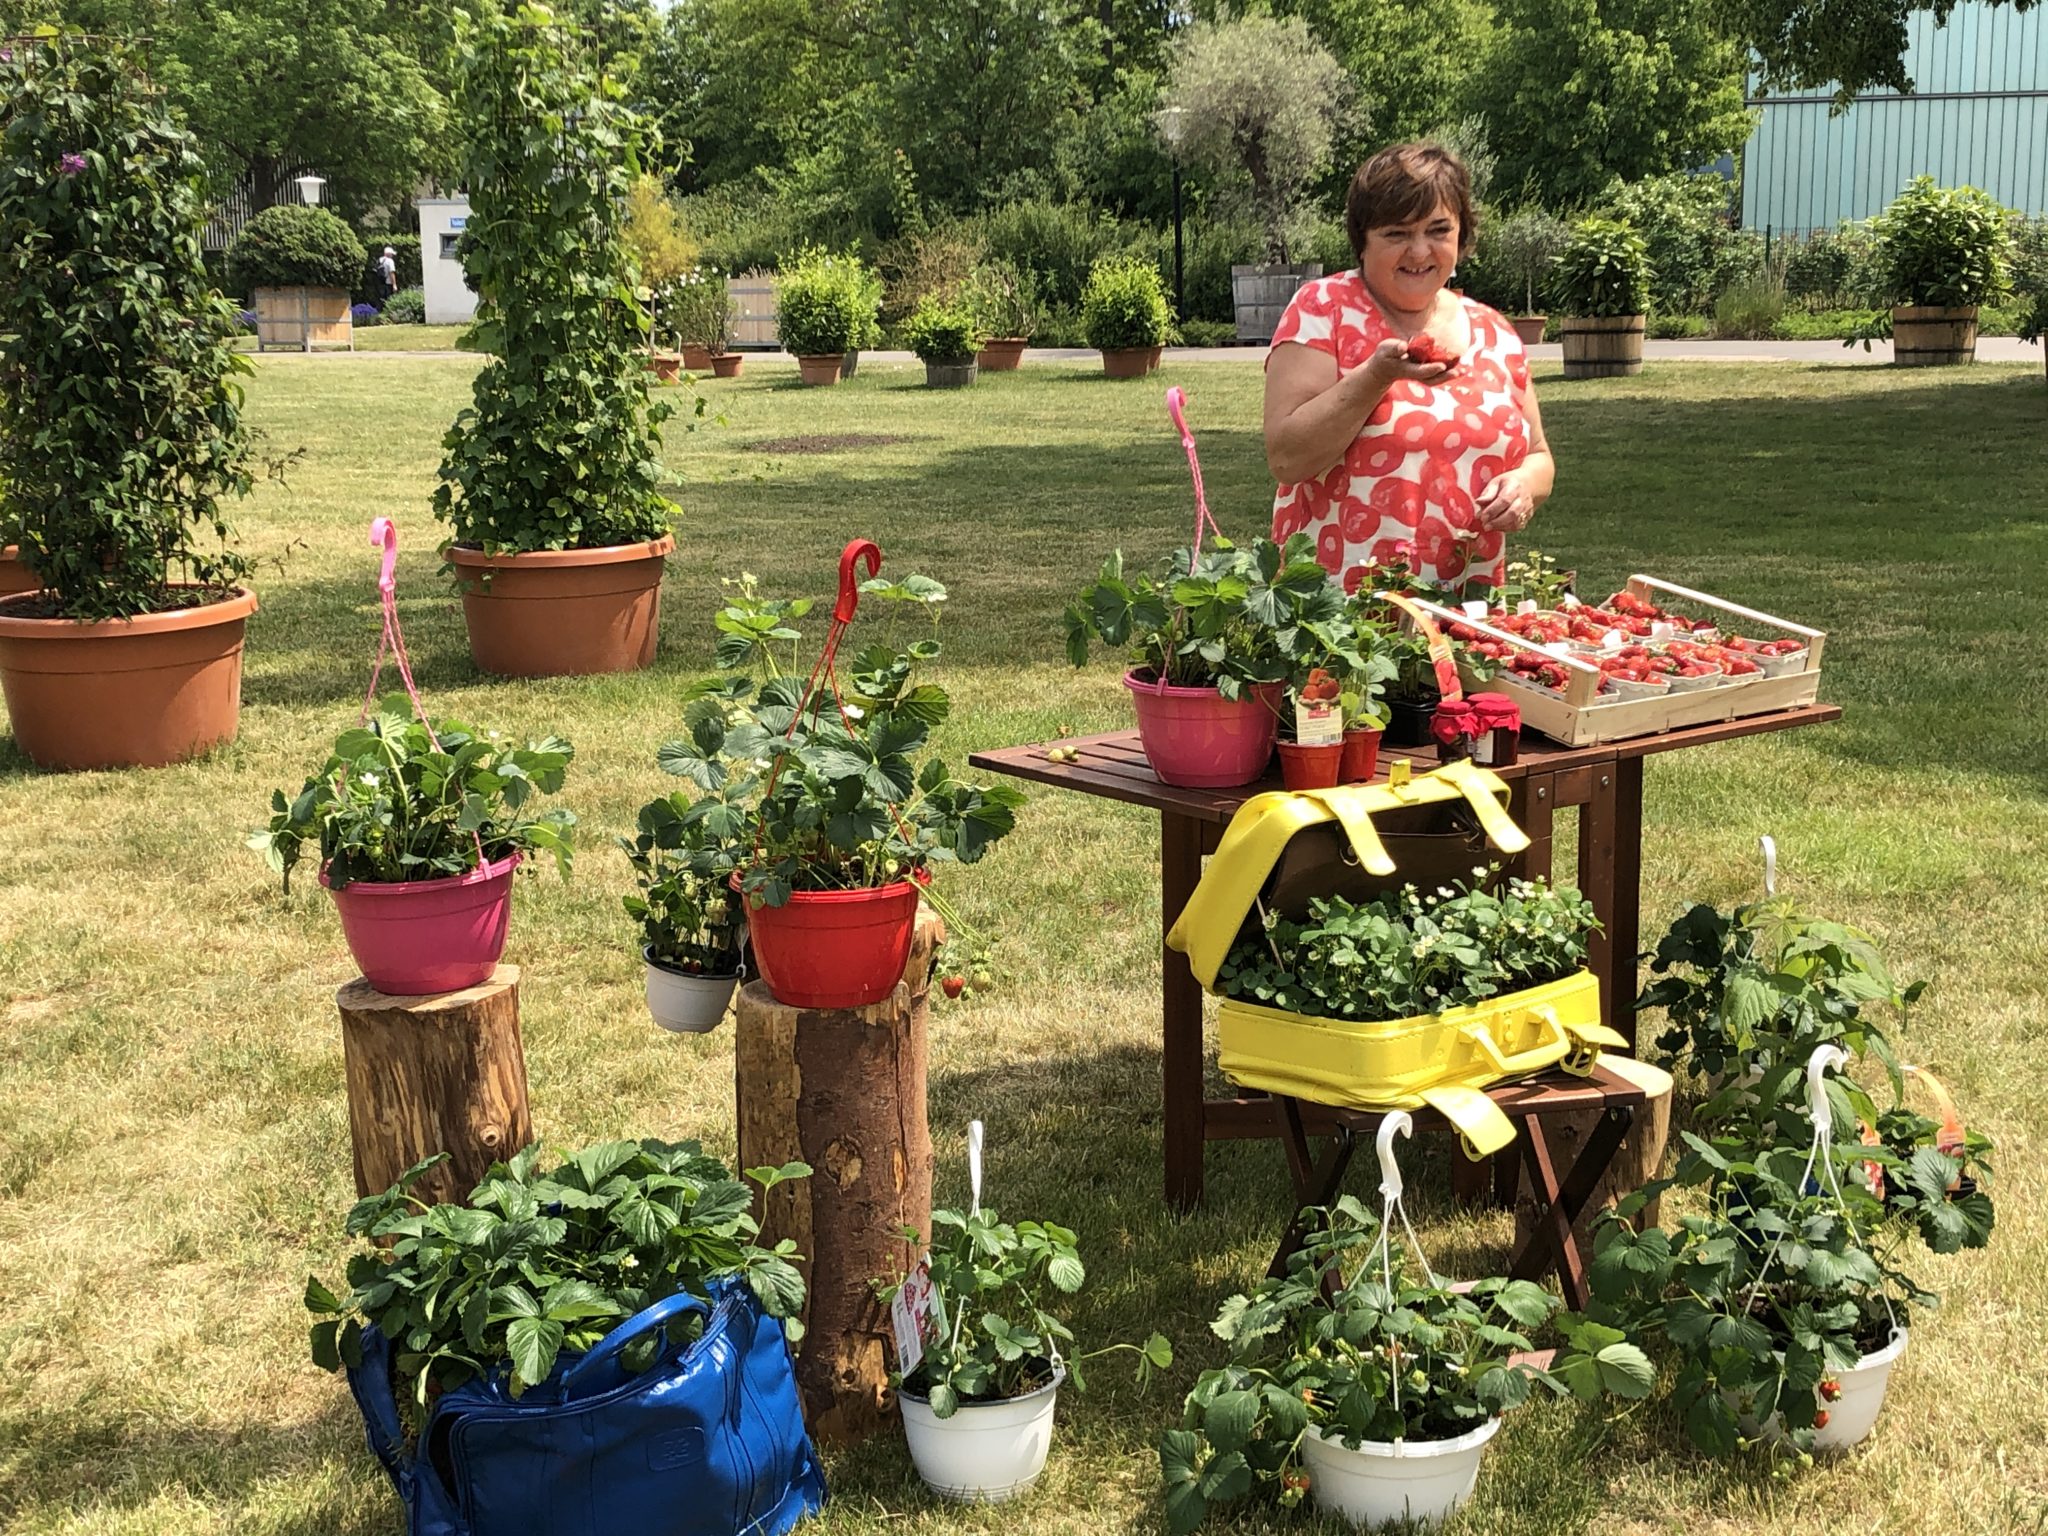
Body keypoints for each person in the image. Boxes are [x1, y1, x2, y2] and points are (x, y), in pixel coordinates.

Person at [1262, 141, 1555, 592]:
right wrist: (1375, 377)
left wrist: (1522, 487)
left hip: (1467, 607)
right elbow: (1287, 458)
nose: (1420, 252)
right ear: (1362, 241)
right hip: (1338, 615)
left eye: (1438, 230)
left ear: (1461, 235)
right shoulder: (1324, 310)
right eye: (1397, 234)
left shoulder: (1495, 331)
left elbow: (1538, 456)